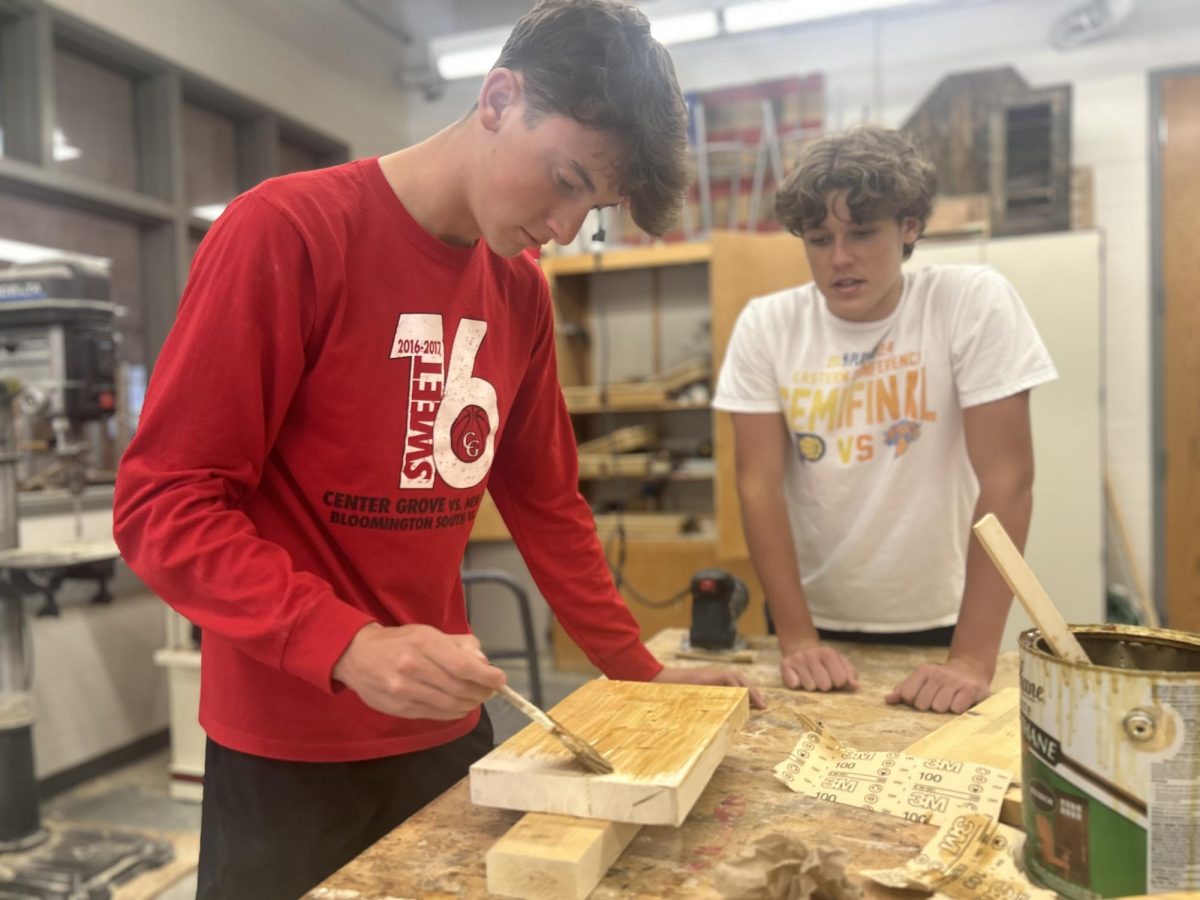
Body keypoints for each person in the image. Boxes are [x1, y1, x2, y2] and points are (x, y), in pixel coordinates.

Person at [113, 2, 761, 896]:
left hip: (445, 733)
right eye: (567, 180)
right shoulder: (290, 233)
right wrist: (342, 644)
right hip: (288, 753)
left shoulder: (521, 295)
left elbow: (550, 507)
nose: (569, 228)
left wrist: (640, 673)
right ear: (499, 97)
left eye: (596, 207)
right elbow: (164, 504)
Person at [713, 124, 1056, 717]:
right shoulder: (767, 325)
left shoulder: (968, 302)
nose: (839, 258)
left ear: (910, 228)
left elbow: (1009, 479)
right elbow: (757, 486)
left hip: (941, 618)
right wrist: (795, 636)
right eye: (819, 239)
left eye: (863, 233)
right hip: (807, 620)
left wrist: (972, 659)